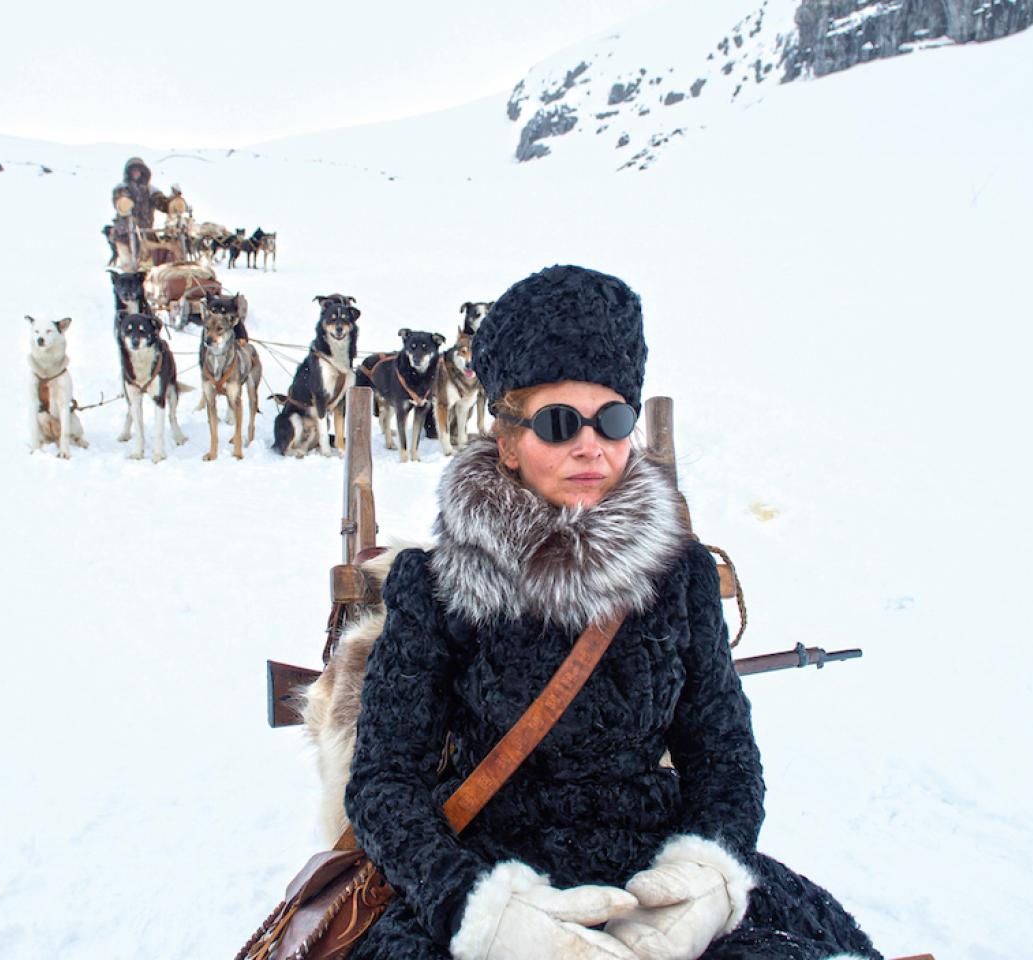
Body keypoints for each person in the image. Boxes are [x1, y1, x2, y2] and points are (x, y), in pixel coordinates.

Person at [342, 265, 881, 960]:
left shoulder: (678, 577)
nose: (591, 445)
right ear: (506, 441)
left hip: (655, 882)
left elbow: (724, 760)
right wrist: (475, 908)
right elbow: (385, 781)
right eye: (559, 423)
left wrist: (704, 879)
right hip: (496, 879)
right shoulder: (439, 584)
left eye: (613, 419)